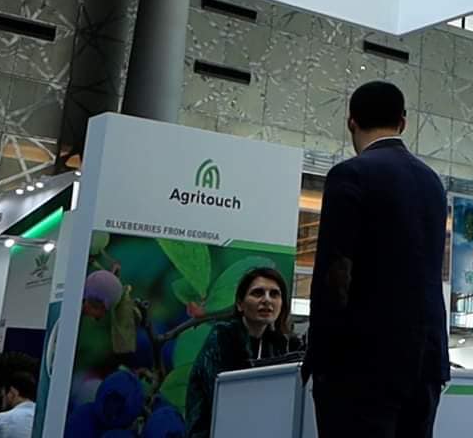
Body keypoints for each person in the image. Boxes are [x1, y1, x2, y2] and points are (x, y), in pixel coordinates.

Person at [306, 80, 450, 438]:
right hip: (426, 362)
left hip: (361, 364)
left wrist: (319, 355)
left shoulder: (350, 174)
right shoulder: (432, 183)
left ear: (351, 122)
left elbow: (336, 271)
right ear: (403, 122)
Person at [186, 265, 297, 438]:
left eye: (274, 294)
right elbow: (226, 399)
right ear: (240, 304)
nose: (267, 300)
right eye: (258, 293)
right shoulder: (223, 336)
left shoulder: (278, 344)